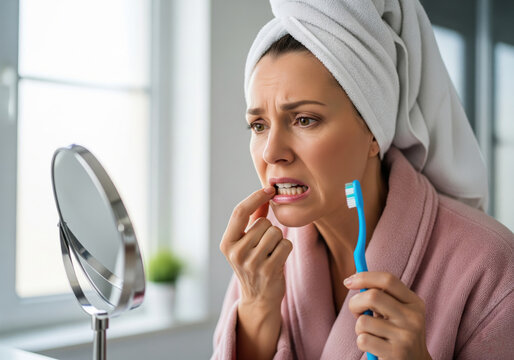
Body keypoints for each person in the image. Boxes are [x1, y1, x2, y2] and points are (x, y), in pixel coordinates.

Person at [212, 0, 514, 359]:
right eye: (259, 125)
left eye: (305, 119)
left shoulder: (490, 266)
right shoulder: (262, 259)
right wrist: (256, 310)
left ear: (373, 132)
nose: (271, 152)